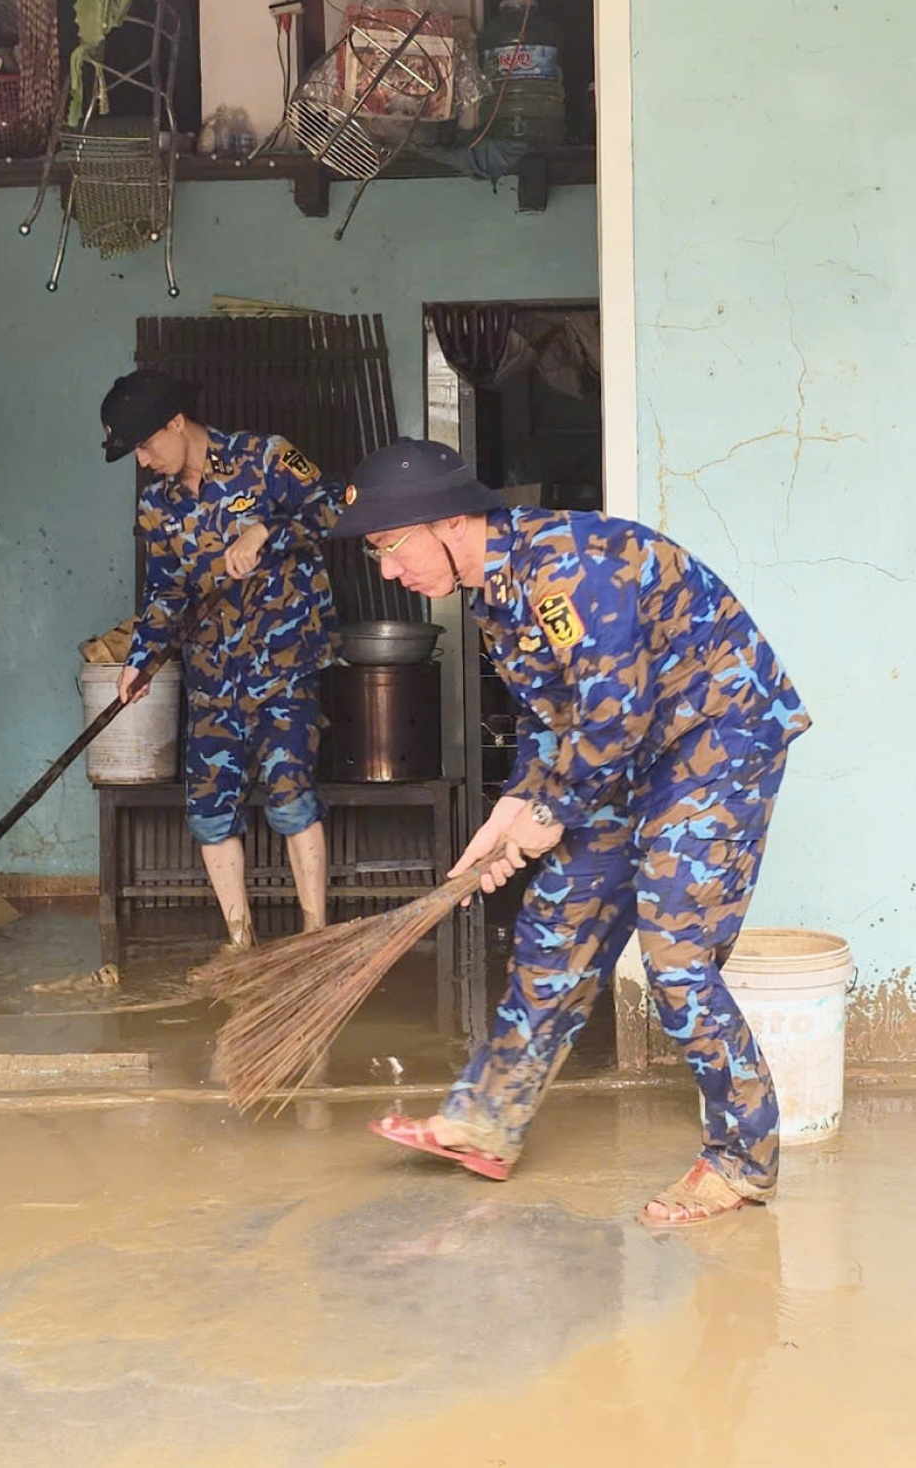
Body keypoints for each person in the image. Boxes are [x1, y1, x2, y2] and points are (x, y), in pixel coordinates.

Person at [328, 439, 812, 1227]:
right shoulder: (493, 592)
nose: (388, 570)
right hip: (627, 755)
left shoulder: (567, 566)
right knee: (558, 923)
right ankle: (487, 1120)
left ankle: (741, 1159)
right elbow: (550, 718)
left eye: (389, 547)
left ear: (448, 521)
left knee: (676, 957)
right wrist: (510, 811)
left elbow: (612, 714)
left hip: (715, 742)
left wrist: (548, 817)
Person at [100, 367, 342, 953]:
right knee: (209, 809)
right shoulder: (157, 506)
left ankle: (314, 938)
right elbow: (165, 593)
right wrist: (141, 660)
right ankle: (241, 943)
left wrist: (265, 532)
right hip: (212, 677)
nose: (142, 460)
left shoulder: (265, 458)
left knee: (290, 795)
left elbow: (337, 506)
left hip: (283, 665)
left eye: (145, 443)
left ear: (177, 423)